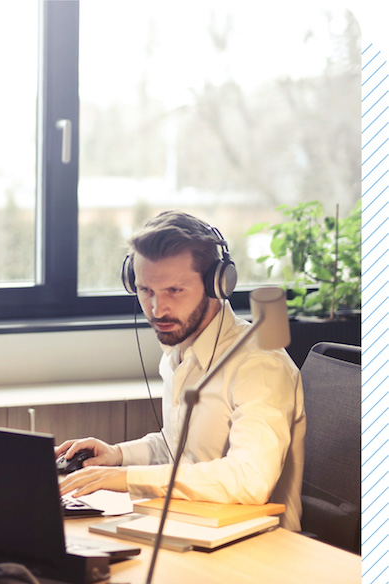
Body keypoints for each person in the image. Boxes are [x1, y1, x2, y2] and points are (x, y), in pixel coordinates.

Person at [58, 210, 305, 531]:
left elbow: (250, 479)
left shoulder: (259, 364)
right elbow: (180, 450)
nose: (157, 310)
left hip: (258, 545)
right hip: (190, 525)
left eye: (174, 291)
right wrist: (118, 455)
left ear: (218, 284)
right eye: (146, 291)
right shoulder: (179, 350)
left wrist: (128, 478)